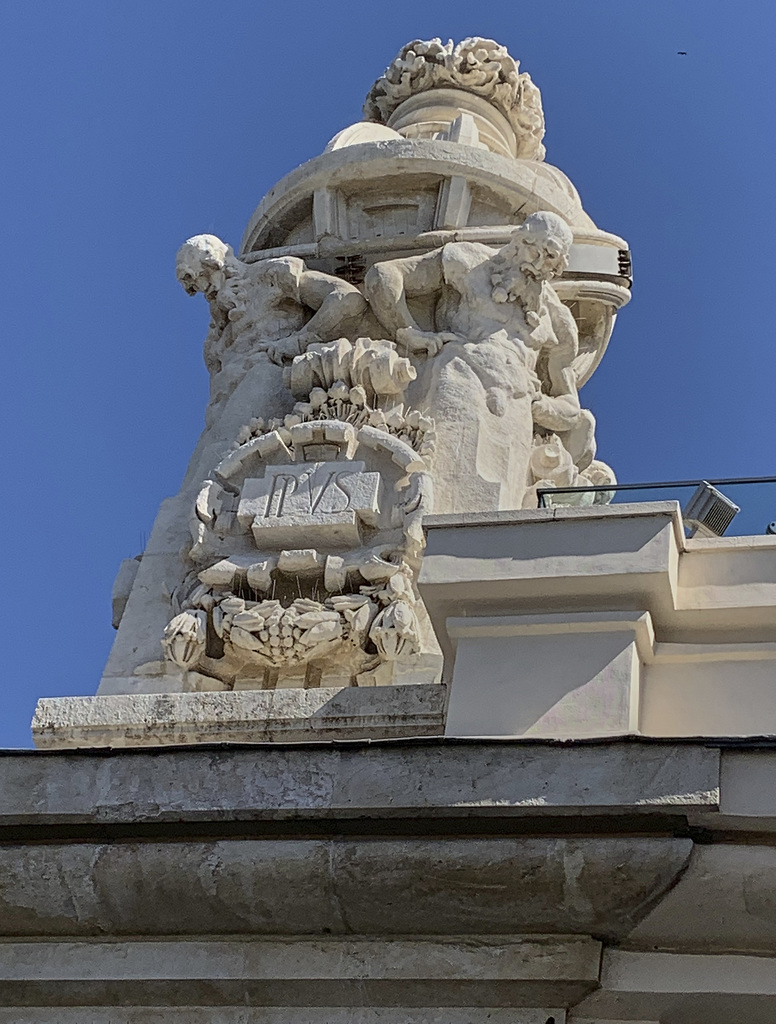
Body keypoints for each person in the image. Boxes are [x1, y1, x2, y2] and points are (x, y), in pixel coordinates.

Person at [364, 211, 596, 510]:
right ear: (517, 239)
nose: (538, 264)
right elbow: (384, 276)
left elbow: (570, 406)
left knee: (494, 521)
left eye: (550, 258)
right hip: (460, 384)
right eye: (533, 250)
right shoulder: (467, 260)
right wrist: (409, 333)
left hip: (515, 413)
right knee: (434, 497)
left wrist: (546, 407)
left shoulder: (559, 321)